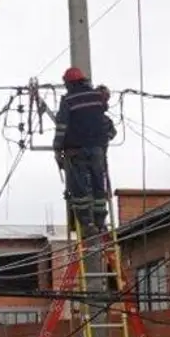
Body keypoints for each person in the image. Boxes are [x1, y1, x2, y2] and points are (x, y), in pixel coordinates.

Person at [53, 67, 111, 236]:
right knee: (99, 186)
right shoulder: (97, 97)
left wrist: (57, 147)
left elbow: (62, 127)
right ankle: (100, 221)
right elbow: (104, 122)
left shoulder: (68, 100)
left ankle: (87, 223)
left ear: (68, 83)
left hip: (76, 150)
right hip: (97, 150)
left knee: (79, 189)